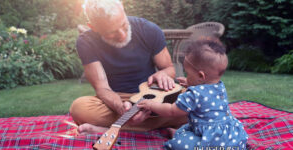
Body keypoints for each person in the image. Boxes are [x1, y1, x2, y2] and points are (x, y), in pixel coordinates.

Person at [69, 0, 187, 134]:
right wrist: (123, 110)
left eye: (124, 25)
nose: (122, 35)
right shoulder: (86, 42)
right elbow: (102, 88)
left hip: (155, 98)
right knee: (79, 108)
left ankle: (111, 130)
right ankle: (154, 127)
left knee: (193, 98)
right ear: (93, 27)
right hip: (117, 100)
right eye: (111, 33)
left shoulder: (149, 29)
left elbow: (169, 68)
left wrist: (164, 74)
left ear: (123, 9)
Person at [138, 37, 249, 150]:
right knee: (185, 128)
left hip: (211, 140)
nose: (186, 76)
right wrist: (189, 82)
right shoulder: (219, 86)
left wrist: (151, 105)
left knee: (181, 143)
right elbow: (205, 89)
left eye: (188, 73)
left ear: (201, 76)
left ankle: (179, 137)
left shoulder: (193, 95)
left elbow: (171, 110)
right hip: (230, 135)